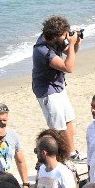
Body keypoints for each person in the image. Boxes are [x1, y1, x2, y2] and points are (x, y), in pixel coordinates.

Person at [31, 15, 80, 156]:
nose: (66, 37)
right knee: (58, 127)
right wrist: (71, 44)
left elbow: (70, 53)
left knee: (68, 119)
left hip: (58, 87)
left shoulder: (53, 39)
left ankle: (72, 152)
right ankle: (63, 156)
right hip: (48, 92)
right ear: (55, 36)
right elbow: (68, 67)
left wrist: (75, 43)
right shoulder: (42, 51)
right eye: (64, 35)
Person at [0, 102, 29, 188]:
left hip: (7, 183)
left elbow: (20, 161)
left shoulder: (12, 135)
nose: (2, 123)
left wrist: (25, 184)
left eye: (4, 120)